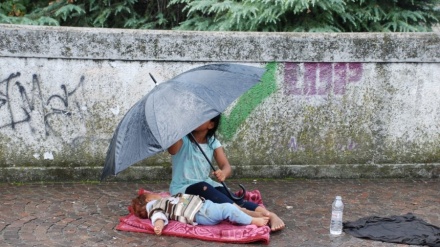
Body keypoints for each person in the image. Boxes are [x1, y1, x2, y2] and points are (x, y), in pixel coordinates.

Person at [167, 114, 285, 231]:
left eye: (202, 117)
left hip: (206, 185)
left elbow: (226, 165)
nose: (196, 119)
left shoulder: (212, 142)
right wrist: (179, 127)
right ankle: (243, 212)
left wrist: (223, 173)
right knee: (202, 187)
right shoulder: (182, 139)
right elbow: (172, 150)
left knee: (230, 197)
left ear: (211, 125)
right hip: (183, 188)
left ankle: (269, 214)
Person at [131, 192, 269, 235]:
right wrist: (159, 226)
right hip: (200, 213)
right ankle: (252, 221)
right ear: (148, 199)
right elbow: (158, 217)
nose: (158, 194)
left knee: (227, 208)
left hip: (203, 206)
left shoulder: (164, 201)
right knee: (228, 208)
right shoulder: (155, 206)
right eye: (154, 194)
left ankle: (246, 214)